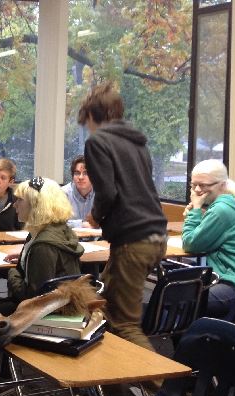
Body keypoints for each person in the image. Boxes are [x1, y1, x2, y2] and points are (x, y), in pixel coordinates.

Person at [79, 82, 168, 352]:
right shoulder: (137, 144)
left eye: (87, 123)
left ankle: (166, 392)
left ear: (95, 116)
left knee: (124, 324)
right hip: (156, 236)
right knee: (101, 305)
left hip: (133, 239)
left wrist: (94, 217)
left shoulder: (98, 142)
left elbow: (107, 193)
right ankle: (112, 386)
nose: (88, 129)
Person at [0, 177, 84, 320]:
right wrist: (25, 259)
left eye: (20, 200)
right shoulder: (54, 230)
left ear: (35, 205)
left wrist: (13, 271)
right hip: (57, 305)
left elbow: (32, 297)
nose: (15, 205)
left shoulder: (42, 246)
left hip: (44, 314)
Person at [182, 159, 235, 317]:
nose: (197, 190)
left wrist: (195, 210)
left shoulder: (221, 210)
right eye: (193, 185)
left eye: (204, 185)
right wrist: (197, 215)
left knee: (177, 300)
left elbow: (190, 244)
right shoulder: (234, 204)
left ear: (223, 185)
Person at [62, 155, 95, 228]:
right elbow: (56, 224)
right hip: (70, 238)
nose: (80, 177)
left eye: (85, 173)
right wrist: (82, 224)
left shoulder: (101, 194)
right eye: (77, 173)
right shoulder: (62, 194)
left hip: (98, 238)